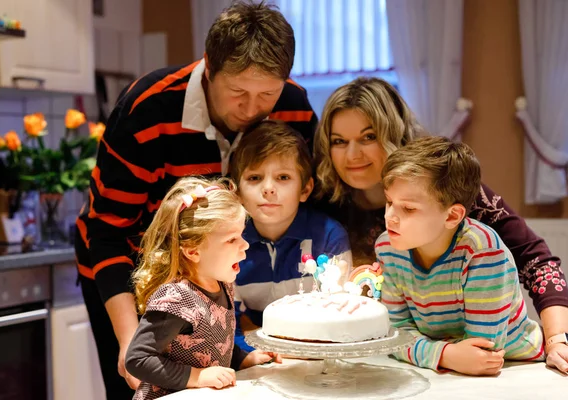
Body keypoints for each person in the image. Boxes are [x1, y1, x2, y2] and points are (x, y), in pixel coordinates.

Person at [74, 2, 317, 398]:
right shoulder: (146, 110)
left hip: (218, 266)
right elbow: (107, 235)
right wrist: (127, 339)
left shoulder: (294, 107)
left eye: (267, 95)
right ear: (209, 67)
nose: (253, 109)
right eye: (238, 92)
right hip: (132, 270)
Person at [312, 77, 568, 374]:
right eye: (339, 141)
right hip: (393, 359)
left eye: (369, 137)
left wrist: (557, 340)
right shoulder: (324, 203)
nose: (352, 154)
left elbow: (536, 261)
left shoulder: (446, 191)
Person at [375, 136, 545, 375]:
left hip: (524, 366)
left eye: (409, 208)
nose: (389, 216)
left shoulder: (482, 250)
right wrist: (445, 355)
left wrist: (425, 350)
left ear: (452, 216)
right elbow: (394, 333)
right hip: (444, 366)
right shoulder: (388, 247)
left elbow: (483, 352)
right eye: (389, 201)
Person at [124, 177, 281, 399]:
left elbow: (214, 344)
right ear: (193, 251)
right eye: (231, 239)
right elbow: (137, 359)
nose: (245, 245)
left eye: (242, 236)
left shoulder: (223, 284)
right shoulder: (176, 299)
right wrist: (197, 377)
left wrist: (243, 358)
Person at [229, 120, 351, 352]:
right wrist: (265, 354)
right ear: (238, 192)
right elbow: (226, 330)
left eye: (283, 177)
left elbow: (340, 317)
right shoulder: (229, 242)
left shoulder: (329, 236)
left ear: (305, 189)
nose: (268, 188)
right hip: (257, 361)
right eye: (254, 178)